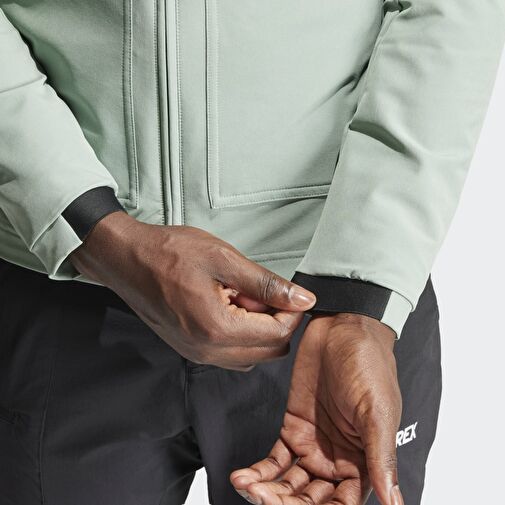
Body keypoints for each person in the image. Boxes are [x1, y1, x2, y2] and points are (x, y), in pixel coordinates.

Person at [0, 2, 503, 504]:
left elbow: (453, 13)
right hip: (57, 280)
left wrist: (362, 296)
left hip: (334, 314)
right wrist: (90, 226)